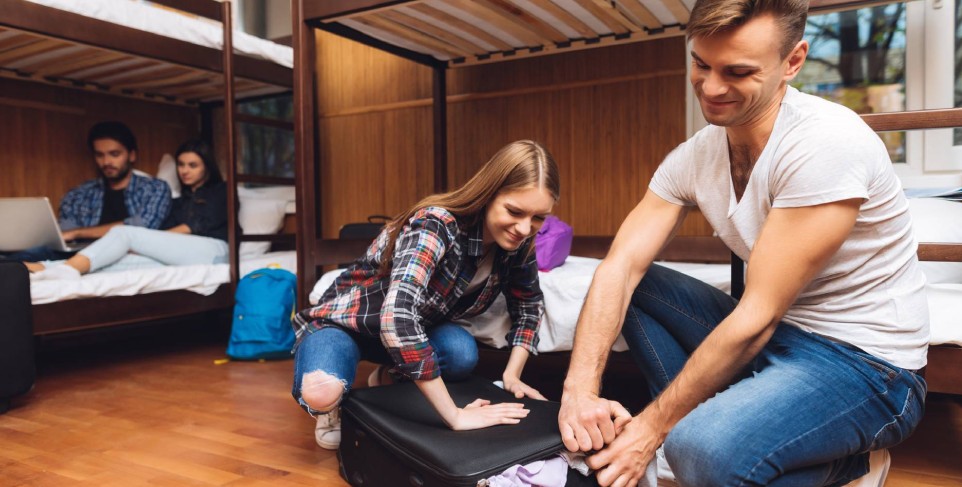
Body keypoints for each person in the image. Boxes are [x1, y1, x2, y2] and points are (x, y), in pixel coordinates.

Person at [557, 0, 928, 485]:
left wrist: (649, 430)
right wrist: (578, 390)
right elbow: (620, 266)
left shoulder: (826, 142)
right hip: (780, 339)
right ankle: (723, 425)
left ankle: (849, 463)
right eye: (700, 64)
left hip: (867, 367)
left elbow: (756, 316)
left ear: (792, 62)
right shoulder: (695, 156)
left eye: (737, 71)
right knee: (633, 283)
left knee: (699, 450)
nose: (710, 88)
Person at [292, 140, 558, 450]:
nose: (525, 228)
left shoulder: (520, 247)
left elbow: (529, 305)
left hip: (403, 337)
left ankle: (386, 379)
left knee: (461, 353)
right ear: (489, 193)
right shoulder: (436, 224)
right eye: (514, 211)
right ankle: (334, 405)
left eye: (539, 218)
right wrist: (455, 417)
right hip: (345, 326)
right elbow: (397, 317)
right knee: (321, 391)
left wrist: (512, 375)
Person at [28, 139, 228, 279]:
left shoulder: (221, 191)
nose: (184, 170)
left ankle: (63, 268)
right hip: (185, 254)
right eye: (181, 165)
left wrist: (144, 243)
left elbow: (193, 226)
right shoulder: (179, 201)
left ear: (207, 167)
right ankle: (46, 269)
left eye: (193, 165)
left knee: (125, 234)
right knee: (128, 262)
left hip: (214, 250)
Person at [4, 121, 172, 263]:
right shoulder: (78, 194)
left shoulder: (154, 188)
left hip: (125, 254)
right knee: (17, 258)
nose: (106, 162)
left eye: (114, 154)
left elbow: (140, 228)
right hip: (78, 252)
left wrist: (79, 232)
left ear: (132, 155)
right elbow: (65, 231)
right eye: (100, 155)